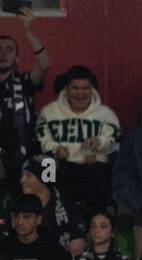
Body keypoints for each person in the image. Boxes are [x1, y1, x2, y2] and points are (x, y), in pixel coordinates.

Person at [34, 65, 120, 214]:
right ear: (66, 89)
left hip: (93, 167)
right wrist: (54, 149)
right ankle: (51, 219)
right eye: (75, 88)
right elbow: (41, 138)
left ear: (92, 89)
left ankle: (96, 221)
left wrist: (99, 143)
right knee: (47, 165)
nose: (81, 93)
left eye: (85, 88)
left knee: (101, 173)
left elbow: (114, 139)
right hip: (60, 165)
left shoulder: (105, 114)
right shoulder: (49, 112)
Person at [0, 7, 51, 194]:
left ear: (17, 57)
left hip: (26, 154)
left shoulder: (24, 82)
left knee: (49, 166)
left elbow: (44, 64)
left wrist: (28, 31)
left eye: (9, 50)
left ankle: (49, 213)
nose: (3, 53)